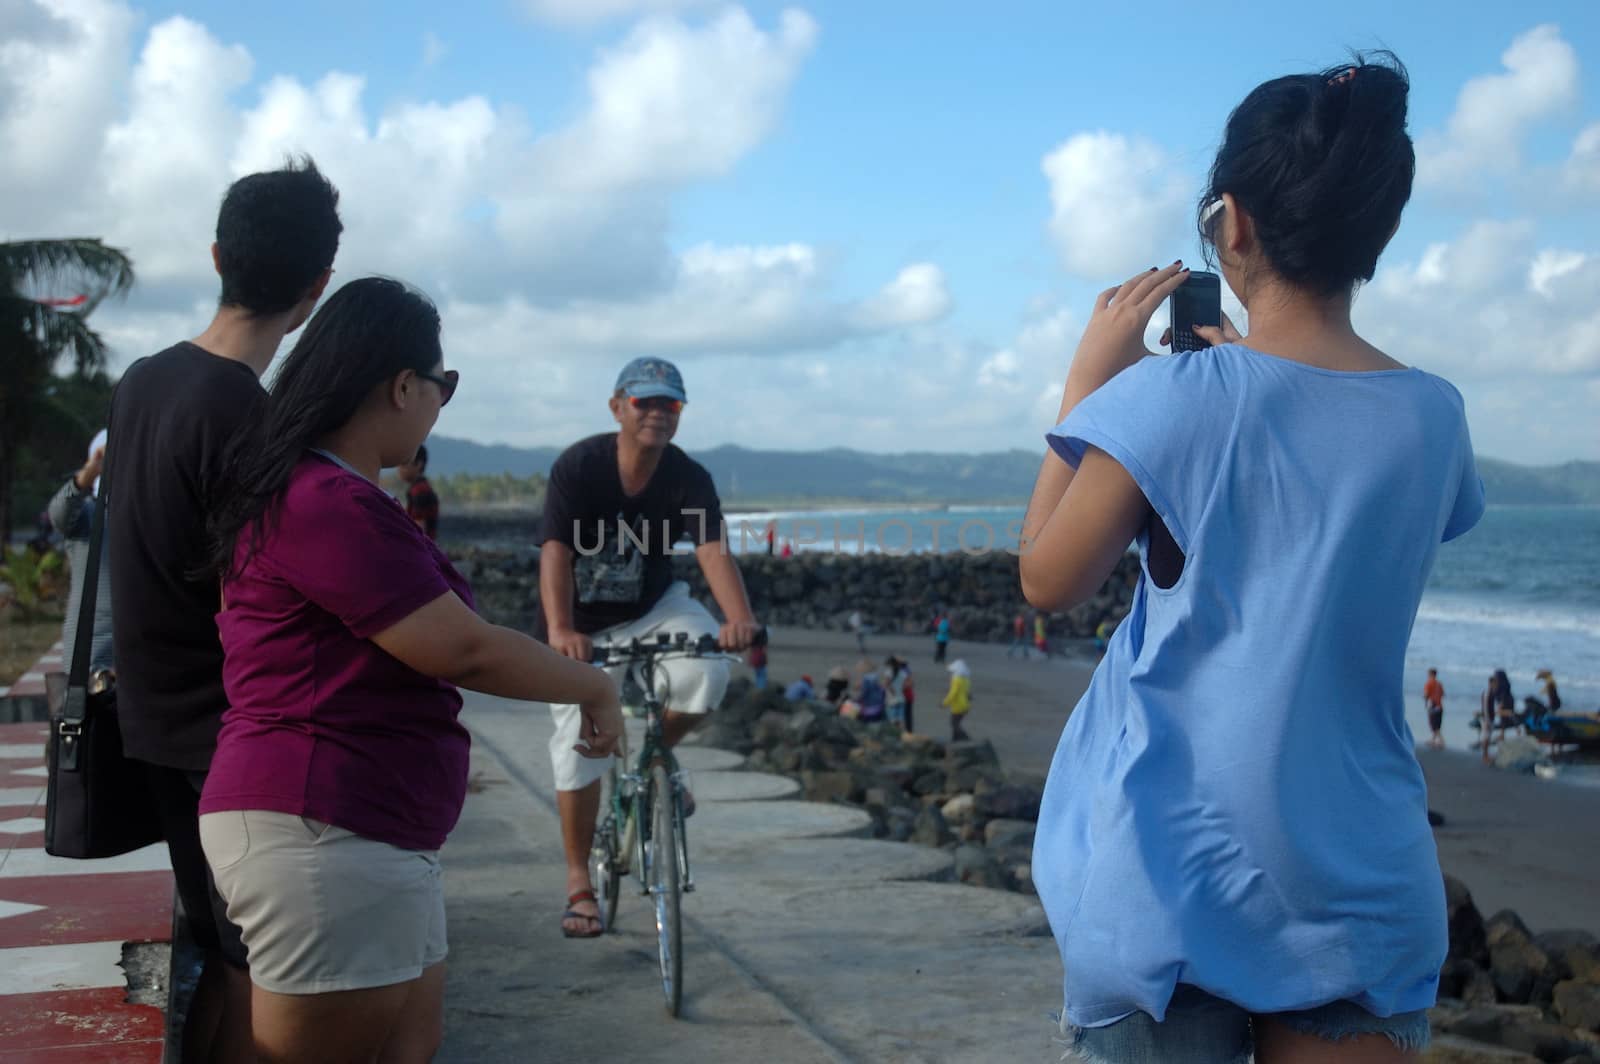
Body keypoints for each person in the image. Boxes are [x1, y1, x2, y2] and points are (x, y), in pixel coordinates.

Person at [1018, 55, 1483, 1061]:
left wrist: (1088, 388)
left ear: (1230, 224)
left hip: (1170, 878)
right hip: (1359, 877)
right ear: (1377, 224)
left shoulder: (1174, 399)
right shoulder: (1435, 417)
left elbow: (1047, 579)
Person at [198, 278, 623, 1061]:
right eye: (444, 386)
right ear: (402, 386)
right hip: (324, 827)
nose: (440, 404)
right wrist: (593, 686)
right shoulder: (324, 501)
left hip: (369, 830)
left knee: (406, 1046)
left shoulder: (326, 494)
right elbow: (462, 647)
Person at [104, 157, 342, 1064]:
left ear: (215, 256)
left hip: (154, 717)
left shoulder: (142, 384)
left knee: (221, 956)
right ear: (316, 290)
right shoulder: (251, 418)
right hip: (233, 739)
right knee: (255, 973)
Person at [539, 356, 762, 939]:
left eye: (672, 403)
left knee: (708, 671)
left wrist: (739, 618)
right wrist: (561, 630)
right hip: (586, 626)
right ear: (618, 407)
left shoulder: (688, 477)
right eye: (646, 401)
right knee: (576, 745)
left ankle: (659, 753)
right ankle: (578, 884)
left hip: (656, 608)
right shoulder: (580, 467)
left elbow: (712, 550)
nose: (659, 413)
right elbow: (556, 552)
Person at [46, 430, 113, 674]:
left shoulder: (148, 513)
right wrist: (86, 475)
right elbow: (59, 513)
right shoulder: (87, 515)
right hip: (92, 652)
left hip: (140, 649)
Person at [398, 443, 440, 540]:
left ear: (418, 464)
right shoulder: (423, 487)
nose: (399, 469)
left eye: (403, 464)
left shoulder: (419, 490)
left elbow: (419, 528)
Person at [942, 659, 971, 741]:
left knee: (954, 723)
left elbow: (953, 694)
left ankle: (965, 738)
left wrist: (944, 703)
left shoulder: (956, 680)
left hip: (958, 705)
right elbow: (967, 693)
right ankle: (955, 739)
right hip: (965, 705)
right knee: (956, 722)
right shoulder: (966, 679)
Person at [884, 655, 909, 731]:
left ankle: (893, 735)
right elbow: (907, 685)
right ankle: (903, 735)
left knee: (892, 719)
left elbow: (886, 684)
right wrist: (900, 689)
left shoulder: (888, 672)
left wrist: (891, 690)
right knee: (901, 719)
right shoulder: (903, 673)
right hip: (901, 698)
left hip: (891, 699)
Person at [1423, 668, 1446, 749]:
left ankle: (1441, 741)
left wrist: (1426, 703)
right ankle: (1433, 739)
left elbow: (1426, 695)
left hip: (1433, 705)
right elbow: (1443, 694)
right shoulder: (1439, 684)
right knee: (1437, 724)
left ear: (1431, 674)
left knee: (1433, 724)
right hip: (1440, 705)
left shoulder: (1429, 683)